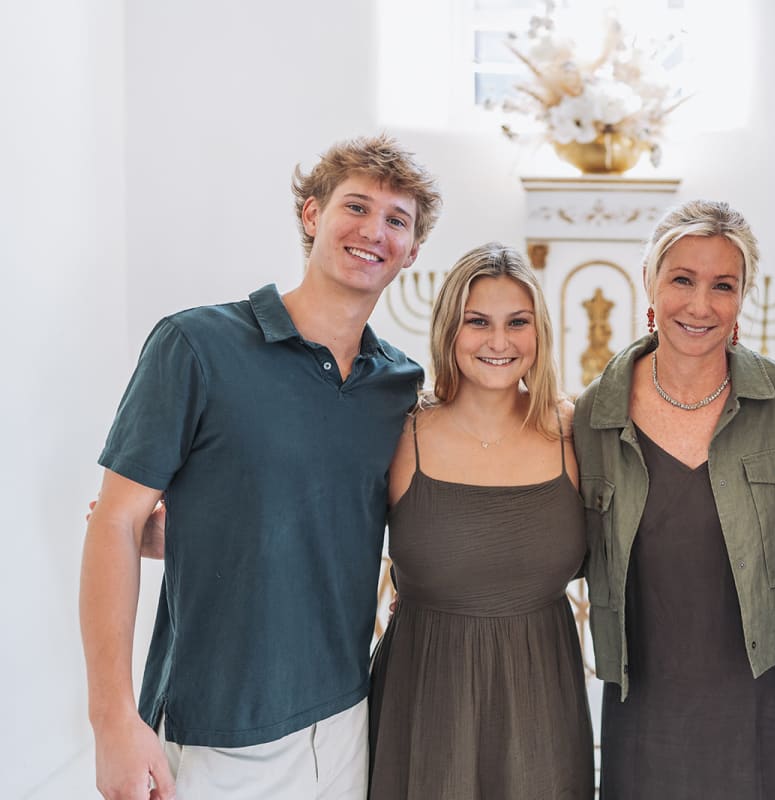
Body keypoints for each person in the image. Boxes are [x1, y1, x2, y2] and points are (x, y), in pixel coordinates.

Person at [79, 135, 440, 800]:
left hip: (347, 719)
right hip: (216, 727)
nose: (373, 231)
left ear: (413, 252)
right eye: (355, 207)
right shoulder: (196, 344)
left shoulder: (400, 384)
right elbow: (115, 525)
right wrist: (111, 722)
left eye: (397, 220)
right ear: (311, 215)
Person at [573, 200, 775, 798]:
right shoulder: (590, 417)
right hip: (645, 709)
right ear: (650, 283)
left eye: (722, 285)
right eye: (682, 279)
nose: (700, 305)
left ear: (741, 299)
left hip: (767, 707)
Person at [368, 242, 594, 798]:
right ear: (450, 330)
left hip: (543, 695)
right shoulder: (400, 432)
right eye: (478, 322)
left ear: (538, 331)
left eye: (517, 322)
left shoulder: (578, 431)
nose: (499, 341)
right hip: (423, 695)